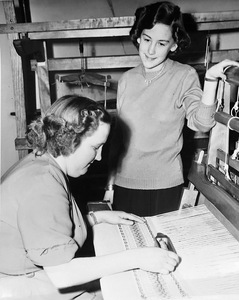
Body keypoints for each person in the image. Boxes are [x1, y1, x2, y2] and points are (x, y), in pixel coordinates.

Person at [0, 95, 180, 300]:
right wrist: (138, 257)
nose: (100, 157)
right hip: (16, 284)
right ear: (69, 140)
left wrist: (96, 218)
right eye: (95, 147)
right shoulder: (43, 183)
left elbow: (41, 229)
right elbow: (62, 274)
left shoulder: (41, 163)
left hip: (23, 275)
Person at [104, 1, 239, 217]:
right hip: (124, 185)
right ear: (138, 37)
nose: (150, 50)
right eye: (147, 39)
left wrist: (211, 81)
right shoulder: (127, 80)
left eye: (161, 43)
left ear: (173, 45)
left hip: (164, 188)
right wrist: (110, 185)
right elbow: (117, 140)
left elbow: (202, 122)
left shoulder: (184, 76)